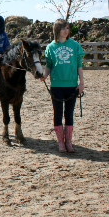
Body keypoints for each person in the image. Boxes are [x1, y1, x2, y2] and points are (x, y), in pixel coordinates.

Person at [40, 19, 84, 153]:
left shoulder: (75, 45)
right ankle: (60, 143)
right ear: (56, 30)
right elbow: (49, 66)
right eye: (63, 28)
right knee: (57, 113)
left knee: (69, 113)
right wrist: (44, 76)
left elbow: (79, 66)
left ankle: (69, 142)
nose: (66, 31)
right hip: (56, 86)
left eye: (67, 28)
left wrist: (81, 82)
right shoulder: (50, 47)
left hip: (72, 85)